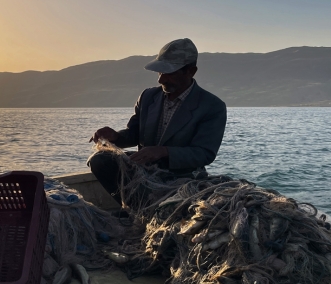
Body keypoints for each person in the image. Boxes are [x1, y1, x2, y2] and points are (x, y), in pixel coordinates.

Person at [88, 38, 227, 205]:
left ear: (191, 71)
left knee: (177, 195)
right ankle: (136, 210)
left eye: (168, 73)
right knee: (100, 160)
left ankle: (147, 209)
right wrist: (116, 137)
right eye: (160, 73)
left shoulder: (212, 106)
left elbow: (204, 153)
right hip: (144, 171)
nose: (161, 80)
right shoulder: (148, 97)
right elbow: (134, 133)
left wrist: (164, 151)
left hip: (183, 177)